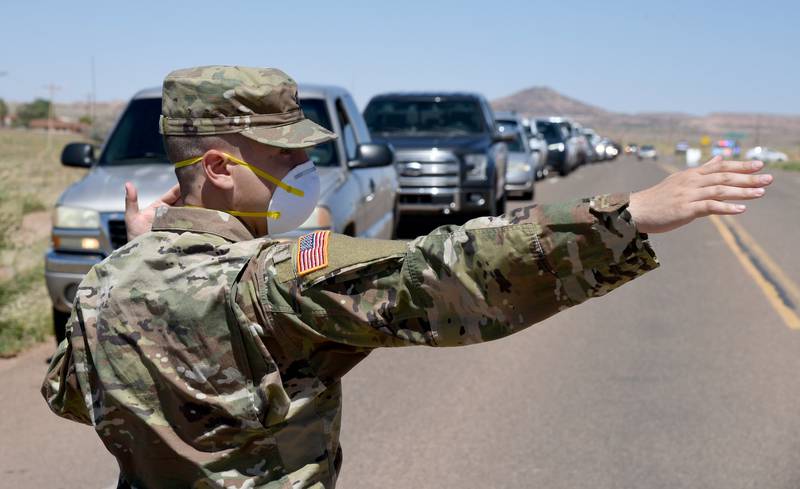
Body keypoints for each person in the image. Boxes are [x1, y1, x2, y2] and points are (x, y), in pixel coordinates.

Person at [42, 65, 772, 489]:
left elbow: (73, 395)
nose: (303, 169)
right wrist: (629, 214)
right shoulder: (271, 282)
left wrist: (134, 256)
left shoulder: (105, 284)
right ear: (218, 169)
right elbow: (444, 269)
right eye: (284, 155)